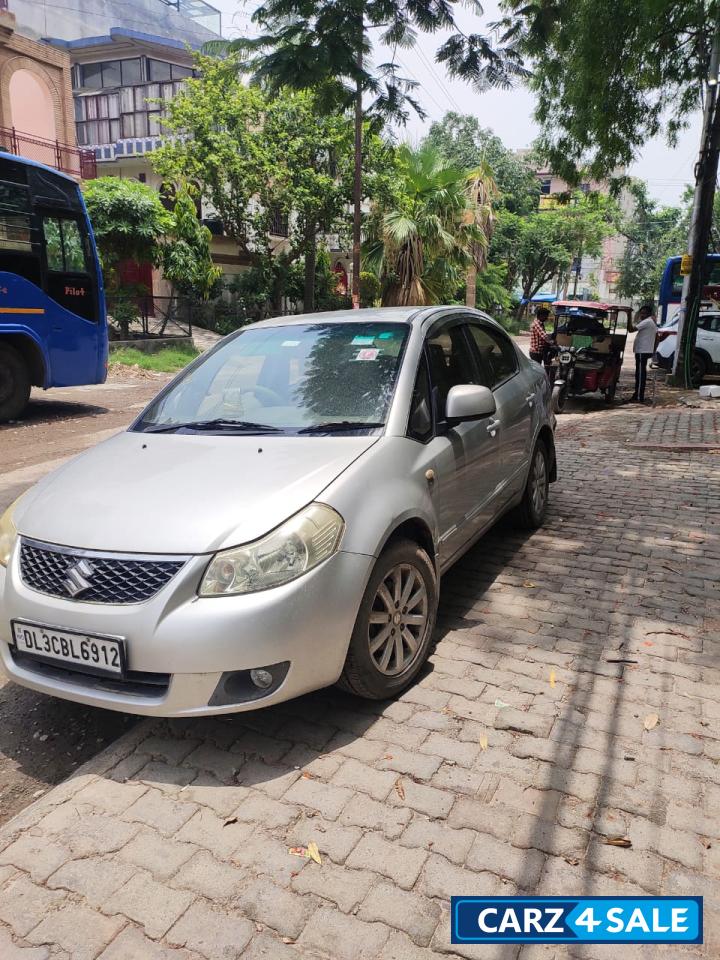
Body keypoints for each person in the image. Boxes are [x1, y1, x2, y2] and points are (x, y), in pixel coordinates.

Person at [630, 303, 658, 403]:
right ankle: (637, 394)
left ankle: (639, 396)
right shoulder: (651, 322)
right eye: (641, 313)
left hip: (643, 351)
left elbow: (631, 329)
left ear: (648, 314)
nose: (642, 315)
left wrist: (629, 316)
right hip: (643, 350)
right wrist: (653, 350)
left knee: (641, 374)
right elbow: (657, 337)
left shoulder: (647, 322)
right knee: (639, 373)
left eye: (644, 313)